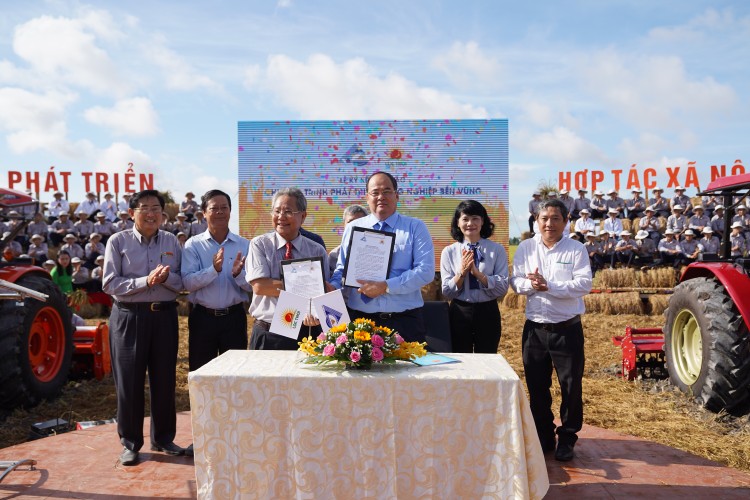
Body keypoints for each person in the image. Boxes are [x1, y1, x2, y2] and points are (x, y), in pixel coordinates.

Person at [103, 189, 187, 466]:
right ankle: (130, 443)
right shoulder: (118, 241)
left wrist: (165, 279)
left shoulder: (172, 241)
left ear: (163, 214)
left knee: (164, 380)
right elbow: (109, 284)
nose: (151, 213)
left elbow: (182, 282)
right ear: (132, 213)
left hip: (164, 317)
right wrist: (145, 281)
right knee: (130, 382)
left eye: (156, 208)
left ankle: (163, 438)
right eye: (145, 208)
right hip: (129, 317)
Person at [510, 198, 592, 462]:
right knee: (537, 386)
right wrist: (532, 285)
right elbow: (516, 281)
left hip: (566, 329)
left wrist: (550, 286)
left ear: (566, 221)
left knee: (570, 386)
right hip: (534, 330)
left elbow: (583, 284)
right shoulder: (525, 247)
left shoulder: (576, 249)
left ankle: (567, 436)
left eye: (555, 218)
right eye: (544, 218)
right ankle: (544, 435)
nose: (549, 224)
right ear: (536, 220)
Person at [331, 172, 435, 343]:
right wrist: (331, 287)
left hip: (404, 321)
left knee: (409, 370)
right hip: (361, 321)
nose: (381, 197)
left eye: (387, 191)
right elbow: (342, 269)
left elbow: (426, 271)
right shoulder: (354, 228)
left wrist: (386, 286)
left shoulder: (415, 227)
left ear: (397, 195)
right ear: (367, 197)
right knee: (363, 370)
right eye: (375, 192)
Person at [245, 187, 329, 350]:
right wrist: (304, 287)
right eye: (277, 211)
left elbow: (321, 293)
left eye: (288, 211)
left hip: (306, 334)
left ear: (303, 216)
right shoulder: (260, 244)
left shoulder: (317, 250)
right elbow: (261, 287)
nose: (281, 217)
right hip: (269, 334)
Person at [182, 189, 252, 371]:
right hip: (203, 319)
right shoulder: (193, 245)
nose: (220, 212)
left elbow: (252, 287)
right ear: (204, 213)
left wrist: (238, 275)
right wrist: (213, 270)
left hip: (234, 318)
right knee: (202, 373)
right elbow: (188, 283)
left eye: (224, 207)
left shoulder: (244, 245)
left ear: (230, 211)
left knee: (236, 375)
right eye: (214, 208)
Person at [440, 200, 509, 353]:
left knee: (487, 358)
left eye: (475, 218)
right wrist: (462, 273)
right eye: (465, 219)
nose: (470, 223)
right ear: (457, 222)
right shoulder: (449, 252)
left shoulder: (496, 250)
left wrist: (479, 275)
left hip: (488, 311)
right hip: (459, 311)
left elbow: (502, 287)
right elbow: (447, 291)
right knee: (460, 359)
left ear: (483, 221)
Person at [328, 204, 368, 275]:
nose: (355, 225)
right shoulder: (334, 255)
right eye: (351, 222)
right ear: (344, 225)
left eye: (359, 222)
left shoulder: (377, 251)